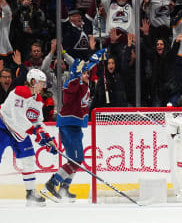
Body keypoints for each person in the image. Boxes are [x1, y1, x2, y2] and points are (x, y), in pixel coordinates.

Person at [41, 48, 107, 203]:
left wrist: (96, 57)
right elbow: (71, 85)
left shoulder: (85, 85)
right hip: (68, 126)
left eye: (87, 73)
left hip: (76, 127)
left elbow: (87, 68)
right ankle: (53, 183)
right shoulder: (73, 85)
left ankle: (64, 187)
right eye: (83, 73)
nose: (86, 75)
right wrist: (76, 74)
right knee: (77, 159)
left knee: (75, 159)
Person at [0, 68, 58, 207]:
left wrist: (49, 139)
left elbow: (37, 121)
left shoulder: (37, 99)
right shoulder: (20, 92)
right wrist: (37, 134)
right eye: (41, 83)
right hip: (3, 126)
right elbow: (18, 118)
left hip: (20, 132)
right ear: (33, 81)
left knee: (29, 159)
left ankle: (31, 194)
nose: (43, 87)